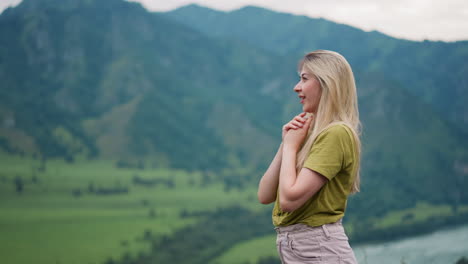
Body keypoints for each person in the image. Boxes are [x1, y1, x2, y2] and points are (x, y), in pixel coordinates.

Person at [257, 50, 361, 264]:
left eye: (304, 79)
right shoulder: (311, 132)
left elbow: (289, 200)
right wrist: (286, 143)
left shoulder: (336, 133)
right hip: (304, 250)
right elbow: (265, 195)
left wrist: (291, 148)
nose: (297, 87)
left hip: (321, 251)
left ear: (327, 83)